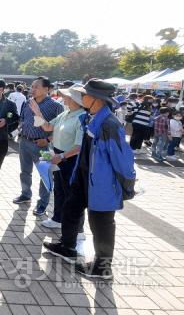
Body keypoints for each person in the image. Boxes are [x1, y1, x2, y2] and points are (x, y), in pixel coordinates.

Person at [43, 79, 136, 280]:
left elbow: (123, 160)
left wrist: (128, 185)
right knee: (70, 209)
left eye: (84, 95)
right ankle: (67, 247)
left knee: (101, 224)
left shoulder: (109, 124)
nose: (80, 97)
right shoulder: (90, 117)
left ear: (95, 99)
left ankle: (103, 268)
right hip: (83, 177)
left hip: (101, 184)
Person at [31, 85, 86, 239]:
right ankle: (57, 219)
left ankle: (78, 230)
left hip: (70, 160)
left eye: (68, 96)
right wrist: (37, 112)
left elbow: (79, 146)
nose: (65, 97)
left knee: (73, 195)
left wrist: (62, 157)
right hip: (58, 157)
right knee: (59, 190)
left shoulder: (82, 117)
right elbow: (48, 127)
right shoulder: (66, 113)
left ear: (76, 99)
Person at [14, 76, 64, 216]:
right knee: (25, 171)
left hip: (42, 146)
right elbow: (23, 119)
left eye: (36, 86)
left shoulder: (56, 106)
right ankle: (25, 194)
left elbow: (60, 129)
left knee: (45, 174)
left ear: (47, 89)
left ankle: (42, 203)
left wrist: (48, 140)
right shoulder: (28, 102)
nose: (33, 89)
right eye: (32, 86)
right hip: (24, 142)